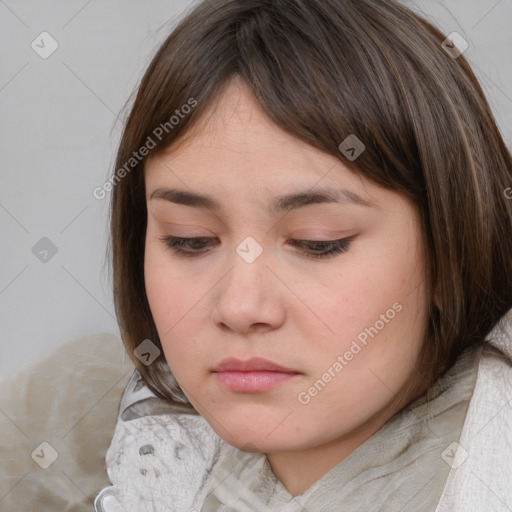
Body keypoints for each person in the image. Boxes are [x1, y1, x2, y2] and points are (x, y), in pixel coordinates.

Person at [94, 0, 512, 510]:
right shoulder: (153, 467)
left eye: (319, 243)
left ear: (454, 247)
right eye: (190, 240)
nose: (240, 306)